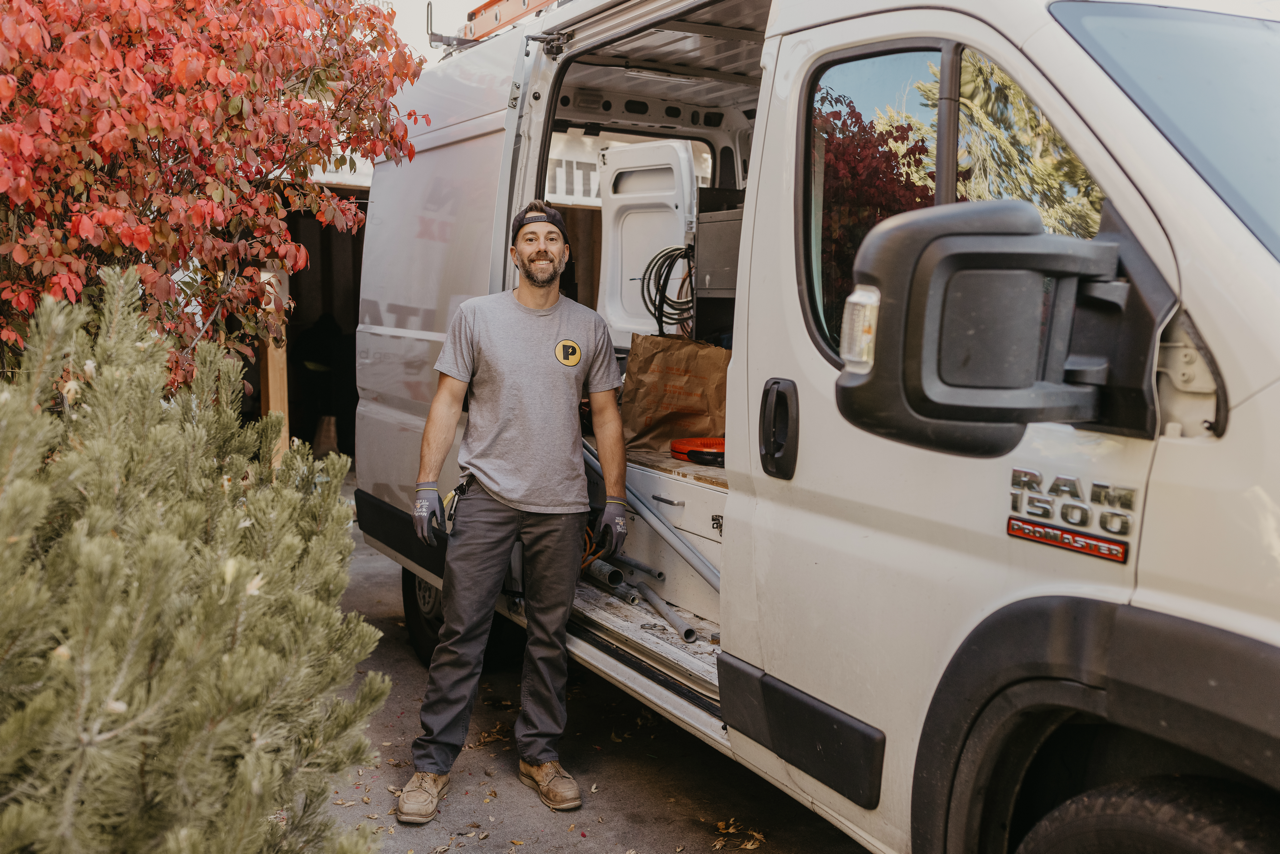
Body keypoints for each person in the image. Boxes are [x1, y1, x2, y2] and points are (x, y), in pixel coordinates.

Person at [397, 200, 630, 824]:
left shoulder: (589, 327)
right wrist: (425, 484)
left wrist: (615, 497)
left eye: (553, 238)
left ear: (566, 253)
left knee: (550, 638)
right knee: (461, 632)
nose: (543, 247)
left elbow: (606, 414)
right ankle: (431, 764)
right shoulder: (477, 317)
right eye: (531, 238)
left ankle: (539, 755)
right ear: (515, 253)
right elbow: (448, 402)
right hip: (488, 498)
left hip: (560, 506)